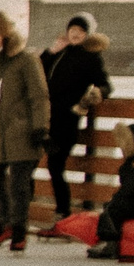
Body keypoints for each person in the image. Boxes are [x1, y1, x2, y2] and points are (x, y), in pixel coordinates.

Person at [0, 12, 50, 254]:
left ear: (6, 36)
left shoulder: (26, 60)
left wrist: (40, 127)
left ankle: (19, 231)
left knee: (19, 185)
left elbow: (39, 96)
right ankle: (5, 222)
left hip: (22, 132)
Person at [40, 13, 112, 220]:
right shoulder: (59, 53)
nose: (75, 34)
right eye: (72, 30)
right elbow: (38, 73)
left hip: (66, 121)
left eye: (80, 31)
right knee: (29, 163)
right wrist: (51, 51)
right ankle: (23, 209)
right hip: (44, 119)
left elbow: (106, 84)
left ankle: (62, 211)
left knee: (55, 165)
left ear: (87, 34)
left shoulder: (90, 57)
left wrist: (97, 94)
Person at [84, 124, 134, 260]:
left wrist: (115, 200)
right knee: (113, 206)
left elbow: (130, 188)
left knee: (114, 209)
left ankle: (110, 242)